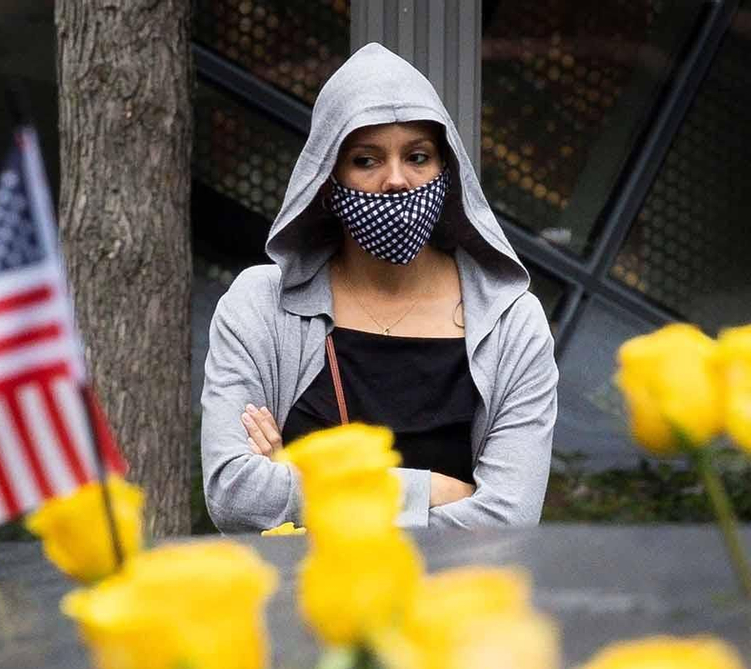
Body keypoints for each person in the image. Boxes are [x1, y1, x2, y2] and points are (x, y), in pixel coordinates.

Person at [200, 43, 558, 533]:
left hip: (453, 606)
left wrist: (301, 485)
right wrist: (427, 490)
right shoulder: (260, 306)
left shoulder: (512, 322)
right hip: (299, 604)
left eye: (417, 156)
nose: (395, 181)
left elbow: (507, 521)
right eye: (366, 160)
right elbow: (233, 494)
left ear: (446, 172)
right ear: (327, 181)